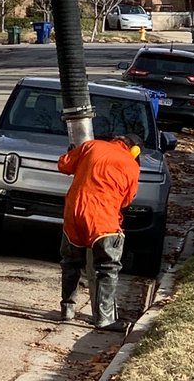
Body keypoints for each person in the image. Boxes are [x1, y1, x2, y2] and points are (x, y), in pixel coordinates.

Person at [57, 134, 142, 333]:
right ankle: (104, 319)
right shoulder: (131, 165)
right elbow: (126, 201)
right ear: (135, 150)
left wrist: (74, 153)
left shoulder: (91, 146)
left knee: (70, 262)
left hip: (74, 213)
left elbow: (63, 165)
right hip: (102, 220)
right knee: (107, 267)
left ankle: (67, 310)